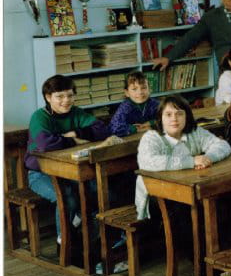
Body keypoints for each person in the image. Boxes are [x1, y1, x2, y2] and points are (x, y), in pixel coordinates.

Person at [26, 75, 110, 244]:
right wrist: (74, 141)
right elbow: (44, 144)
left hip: (69, 171)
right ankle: (64, 242)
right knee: (67, 197)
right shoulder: (39, 117)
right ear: (48, 97)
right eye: (60, 96)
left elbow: (103, 130)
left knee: (96, 189)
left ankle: (88, 236)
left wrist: (77, 132)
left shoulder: (76, 112)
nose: (66, 101)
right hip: (40, 173)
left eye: (70, 95)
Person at [135, 96, 231, 219]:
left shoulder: (194, 132)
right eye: (168, 114)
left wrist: (207, 158)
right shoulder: (151, 137)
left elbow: (223, 145)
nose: (174, 119)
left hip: (187, 189)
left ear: (187, 116)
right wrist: (192, 161)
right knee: (185, 211)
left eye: (179, 114)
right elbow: (148, 162)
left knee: (219, 202)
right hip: (155, 194)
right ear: (160, 118)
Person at [109, 70, 159, 137]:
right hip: (131, 138)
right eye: (134, 89)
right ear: (127, 93)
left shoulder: (154, 103)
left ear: (149, 89)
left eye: (144, 88)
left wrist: (150, 123)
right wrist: (135, 129)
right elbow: (114, 128)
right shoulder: (125, 107)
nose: (140, 92)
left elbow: (165, 118)